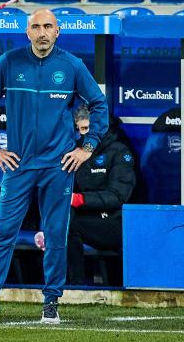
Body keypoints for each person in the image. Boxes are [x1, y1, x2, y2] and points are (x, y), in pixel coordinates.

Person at [0, 8, 108, 325]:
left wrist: (86, 148)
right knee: (3, 233)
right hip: (18, 165)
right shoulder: (9, 62)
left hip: (58, 166)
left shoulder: (71, 65)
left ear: (58, 31)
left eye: (48, 26)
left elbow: (99, 104)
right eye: (36, 27)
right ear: (27, 32)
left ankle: (51, 304)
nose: (42, 32)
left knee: (56, 235)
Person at [35, 105, 137, 285]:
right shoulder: (74, 152)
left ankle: (75, 285)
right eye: (81, 129)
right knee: (62, 217)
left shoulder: (120, 151)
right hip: (84, 218)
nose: (85, 135)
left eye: (89, 128)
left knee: (67, 224)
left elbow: (118, 196)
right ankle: (58, 280)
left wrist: (80, 199)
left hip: (115, 222)